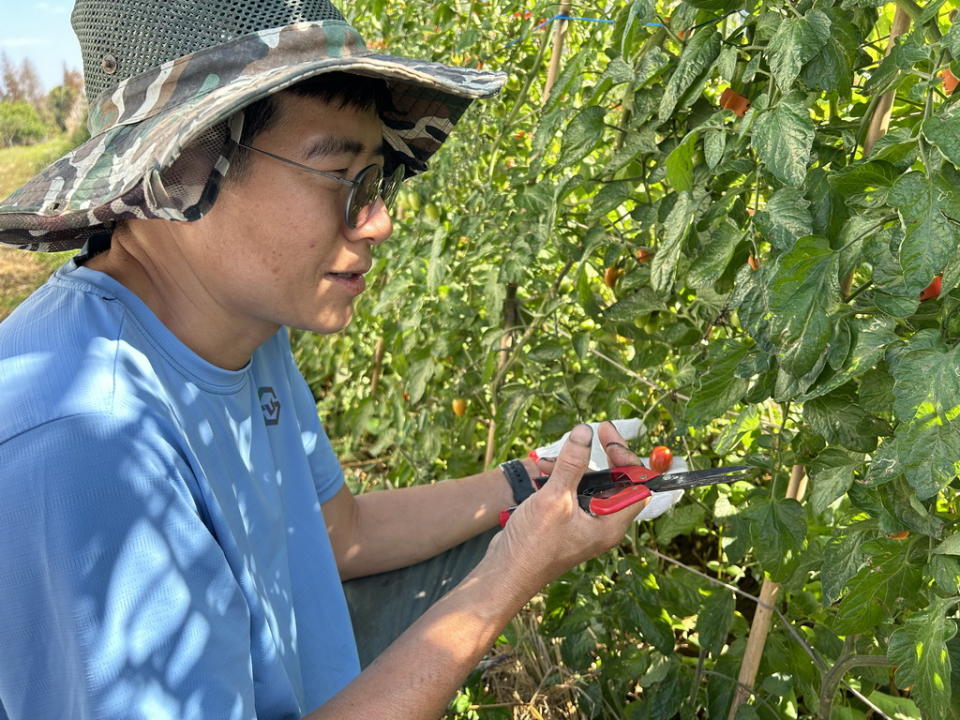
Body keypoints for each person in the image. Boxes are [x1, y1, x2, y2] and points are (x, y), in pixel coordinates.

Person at [0, 2, 674, 718]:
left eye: (379, 178)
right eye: (340, 173)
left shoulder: (244, 329)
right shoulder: (87, 446)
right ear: (184, 171)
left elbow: (336, 536)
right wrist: (510, 573)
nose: (380, 219)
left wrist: (527, 483)